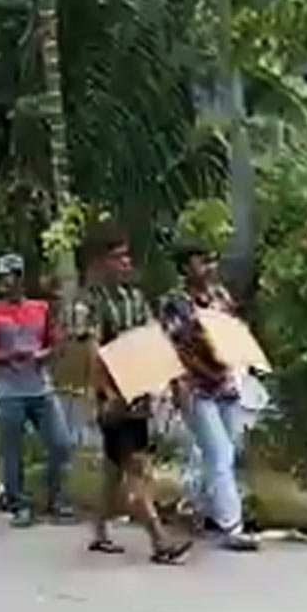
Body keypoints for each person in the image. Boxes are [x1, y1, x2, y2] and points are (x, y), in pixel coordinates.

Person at [71, 222, 189, 564]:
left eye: (126, 256)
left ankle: (98, 532)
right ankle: (159, 540)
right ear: (99, 262)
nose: (125, 263)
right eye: (117, 257)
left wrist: (173, 381)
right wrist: (105, 394)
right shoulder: (88, 303)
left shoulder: (134, 299)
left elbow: (153, 342)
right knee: (138, 468)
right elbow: (93, 353)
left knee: (115, 469)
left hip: (138, 394)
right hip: (114, 397)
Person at [160, 242, 257, 552]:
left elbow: (234, 332)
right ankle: (233, 526)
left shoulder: (220, 297)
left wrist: (237, 367)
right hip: (198, 388)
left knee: (225, 449)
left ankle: (204, 511)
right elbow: (176, 349)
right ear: (186, 268)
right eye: (202, 261)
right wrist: (183, 386)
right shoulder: (176, 303)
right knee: (219, 454)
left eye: (211, 261)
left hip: (226, 385)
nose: (209, 267)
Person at [0, 253, 74, 528]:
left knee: (61, 443)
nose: (1, 282)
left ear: (18, 277)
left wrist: (47, 354)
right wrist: (7, 357)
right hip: (8, 391)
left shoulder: (40, 309)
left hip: (40, 388)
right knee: (12, 451)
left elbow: (57, 343)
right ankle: (19, 504)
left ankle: (57, 499)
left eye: (6, 276)